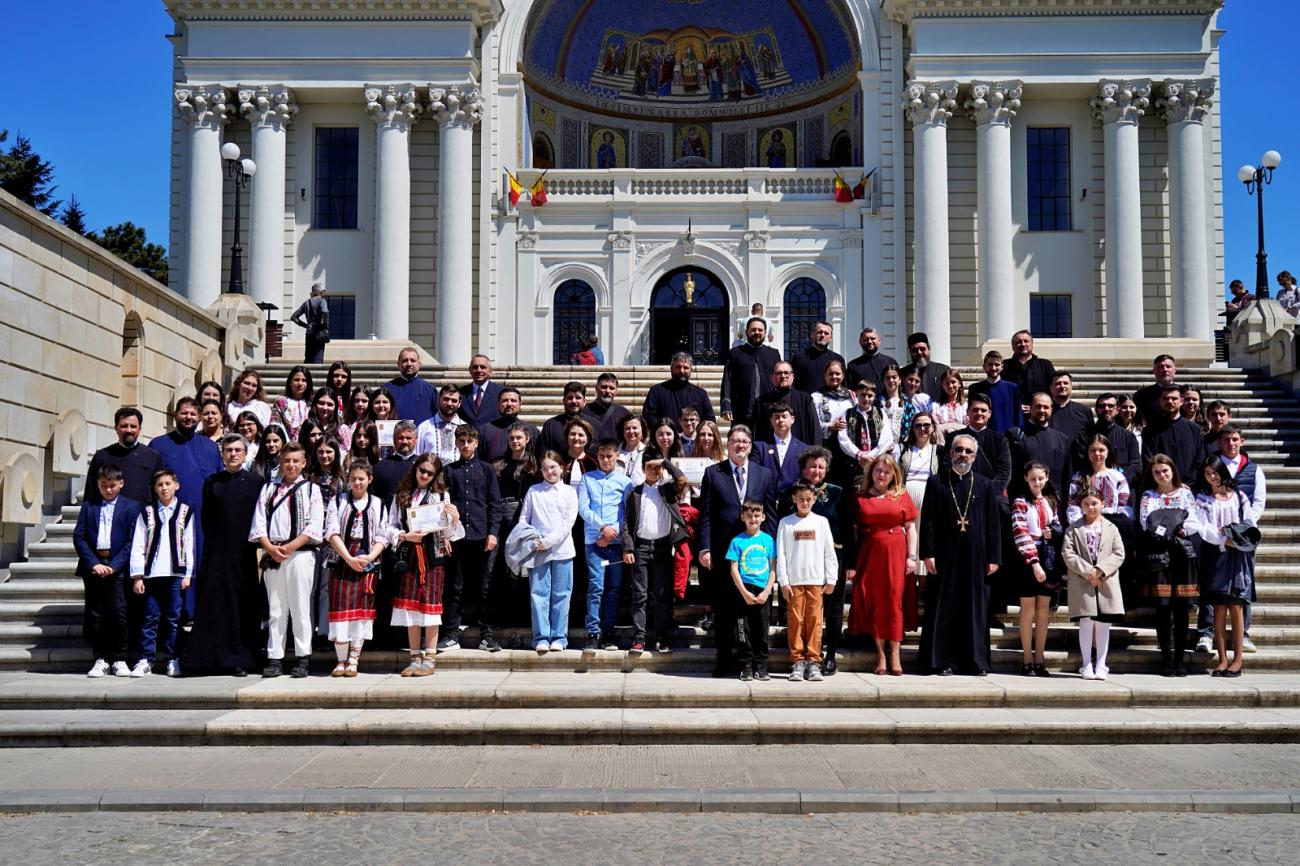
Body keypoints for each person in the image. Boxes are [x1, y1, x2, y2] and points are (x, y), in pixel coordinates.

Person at [918, 434, 1002, 676]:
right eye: (958, 450)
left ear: (974, 457)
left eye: (968, 451)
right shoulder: (936, 482)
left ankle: (974, 662)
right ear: (950, 453)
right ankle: (940, 661)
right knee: (944, 607)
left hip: (977, 557)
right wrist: (928, 552)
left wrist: (994, 557)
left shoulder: (985, 484)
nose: (963, 455)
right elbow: (929, 520)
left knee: (974, 609)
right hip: (944, 556)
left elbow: (993, 524)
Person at [183, 434, 264, 676]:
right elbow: (207, 520)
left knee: (241, 606)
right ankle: (208, 658)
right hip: (217, 553)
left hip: (245, 554)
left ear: (246, 453)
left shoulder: (256, 482)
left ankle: (239, 658)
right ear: (222, 453)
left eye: (238, 450)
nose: (233, 454)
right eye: (228, 450)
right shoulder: (212, 482)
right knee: (214, 604)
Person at [699, 425, 777, 677]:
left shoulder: (764, 474)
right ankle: (725, 660)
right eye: (735, 440)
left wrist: (772, 550)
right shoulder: (713, 473)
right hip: (724, 553)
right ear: (728, 444)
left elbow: (772, 517)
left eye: (745, 441)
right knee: (723, 610)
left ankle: (754, 661)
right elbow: (706, 515)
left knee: (753, 613)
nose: (740, 445)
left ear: (750, 445)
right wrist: (705, 547)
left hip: (755, 557)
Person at [249, 442, 326, 679]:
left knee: (300, 607)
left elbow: (315, 526)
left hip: (301, 554)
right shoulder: (269, 489)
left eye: (295, 461)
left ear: (303, 463)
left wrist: (291, 547)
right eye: (286, 461)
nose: (290, 465)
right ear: (281, 463)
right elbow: (259, 522)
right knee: (276, 608)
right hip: (273, 553)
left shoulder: (312, 490)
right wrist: (270, 548)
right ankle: (275, 657)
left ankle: (303, 657)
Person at [388, 454, 461, 676]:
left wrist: (454, 519)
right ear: (415, 469)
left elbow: (448, 533)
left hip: (432, 557)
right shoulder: (402, 495)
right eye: (422, 470)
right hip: (409, 554)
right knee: (411, 607)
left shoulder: (441, 495)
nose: (425, 476)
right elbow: (389, 525)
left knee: (430, 607)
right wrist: (404, 535)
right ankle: (414, 656)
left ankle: (430, 657)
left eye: (430, 473)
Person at [846, 455, 920, 676]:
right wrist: (852, 562)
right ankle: (880, 653)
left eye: (887, 472)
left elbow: (911, 528)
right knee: (875, 600)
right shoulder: (860, 497)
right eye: (878, 470)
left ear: (893, 475)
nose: (882, 475)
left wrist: (912, 557)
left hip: (897, 553)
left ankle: (895, 652)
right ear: (871, 472)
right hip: (870, 554)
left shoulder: (902, 496)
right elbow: (854, 532)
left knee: (894, 600)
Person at [149, 397, 222, 618]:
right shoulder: (158, 445)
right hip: (169, 518)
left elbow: (217, 482)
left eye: (192, 414)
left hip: (201, 518)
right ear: (175, 415)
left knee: (197, 562)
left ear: (199, 417)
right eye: (184, 413)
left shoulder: (210, 447)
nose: (188, 417)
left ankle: (195, 614)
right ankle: (171, 618)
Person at [1197, 424, 1266, 655]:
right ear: (1220, 442)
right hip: (1216, 542)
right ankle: (1206, 633)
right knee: (1212, 589)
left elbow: (1257, 503)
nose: (1231, 443)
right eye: (1227, 440)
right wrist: (1221, 537)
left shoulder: (1253, 469)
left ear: (1242, 441)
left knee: (1241, 588)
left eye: (1235, 439)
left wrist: (1240, 532)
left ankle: (1242, 634)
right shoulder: (1211, 466)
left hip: (1241, 540)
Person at [75, 466, 144, 678]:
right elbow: (79, 536)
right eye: (104, 485)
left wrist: (115, 565)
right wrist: (93, 563)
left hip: (118, 567)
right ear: (98, 484)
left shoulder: (131, 507)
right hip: (94, 565)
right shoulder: (89, 506)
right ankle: (101, 657)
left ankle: (120, 658)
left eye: (112, 485)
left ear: (121, 484)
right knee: (96, 613)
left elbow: (133, 540)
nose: (108, 489)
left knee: (118, 612)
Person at [440, 426, 505, 652]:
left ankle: (487, 634)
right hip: (456, 537)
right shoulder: (449, 471)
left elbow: (495, 504)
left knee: (484, 586)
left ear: (476, 442)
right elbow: (442, 506)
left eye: (470, 441)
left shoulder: (487, 470)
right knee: (454, 586)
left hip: (482, 535)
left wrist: (493, 533)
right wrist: (444, 535)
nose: (466, 445)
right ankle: (450, 634)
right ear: (456, 444)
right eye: (462, 441)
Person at [620, 446, 688, 654]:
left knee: (660, 594)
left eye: (657, 468)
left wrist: (665, 462)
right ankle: (639, 637)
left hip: (661, 547)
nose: (655, 471)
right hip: (640, 546)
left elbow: (682, 480)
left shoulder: (667, 489)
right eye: (650, 467)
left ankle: (661, 635)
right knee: (639, 595)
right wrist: (628, 548)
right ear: (643, 468)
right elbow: (627, 523)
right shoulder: (635, 492)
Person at [324, 460, 389, 677]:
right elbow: (332, 532)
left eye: (361, 478)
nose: (357, 483)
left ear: (370, 479)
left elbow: (383, 534)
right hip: (343, 559)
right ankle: (340, 660)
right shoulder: (338, 501)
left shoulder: (379, 504)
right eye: (353, 479)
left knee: (361, 614)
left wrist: (370, 556)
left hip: (368, 560)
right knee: (340, 612)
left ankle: (354, 659)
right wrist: (349, 558)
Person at [1139, 454, 1202, 677]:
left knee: (1182, 609)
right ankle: (1166, 659)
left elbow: (1194, 520)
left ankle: (1180, 660)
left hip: (1182, 556)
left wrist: (1176, 526)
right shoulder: (1149, 496)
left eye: (1165, 471)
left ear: (1173, 470)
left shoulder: (1185, 494)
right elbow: (1146, 521)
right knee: (1163, 609)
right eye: (1157, 472)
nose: (1162, 475)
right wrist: (1171, 526)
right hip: (1160, 556)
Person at [128, 468, 194, 678]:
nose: (164, 488)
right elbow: (138, 544)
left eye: (168, 484)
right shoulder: (146, 513)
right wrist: (138, 575)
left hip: (175, 573)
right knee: (150, 618)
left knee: (173, 618)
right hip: (152, 574)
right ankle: (146, 659)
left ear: (176, 485)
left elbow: (190, 543)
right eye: (160, 485)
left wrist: (188, 573)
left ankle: (172, 659)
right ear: (155, 489)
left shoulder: (185, 511)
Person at [1195, 458, 1256, 677]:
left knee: (1236, 608)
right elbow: (1202, 527)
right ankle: (1222, 659)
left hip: (1237, 554)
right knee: (1218, 608)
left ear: (1222, 472)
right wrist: (1222, 539)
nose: (1211, 476)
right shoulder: (1203, 499)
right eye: (1207, 473)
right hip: (1215, 554)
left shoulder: (1239, 497)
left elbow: (1248, 522)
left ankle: (1237, 660)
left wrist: (1235, 539)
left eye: (1214, 472)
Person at [775, 479, 839, 682]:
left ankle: (813, 661)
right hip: (794, 581)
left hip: (816, 580)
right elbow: (781, 554)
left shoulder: (821, 522)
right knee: (796, 621)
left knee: (815, 620)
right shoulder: (785, 522)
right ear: (794, 499)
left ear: (814, 499)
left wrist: (832, 578)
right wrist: (783, 581)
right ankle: (797, 661)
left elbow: (829, 552)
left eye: (808, 499)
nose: (804, 502)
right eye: (801, 499)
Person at [518, 451, 580, 653]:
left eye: (553, 467)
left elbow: (567, 523)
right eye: (545, 468)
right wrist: (533, 540)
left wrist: (548, 541)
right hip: (537, 550)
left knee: (562, 594)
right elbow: (523, 520)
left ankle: (559, 637)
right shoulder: (534, 491)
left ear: (562, 468)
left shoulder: (570, 492)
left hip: (562, 550)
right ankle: (541, 636)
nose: (549, 471)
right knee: (538, 593)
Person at [1063, 489, 1126, 681]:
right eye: (1086, 504)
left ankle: (1101, 663)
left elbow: (1118, 553)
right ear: (1081, 506)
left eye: (1094, 503)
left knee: (1103, 624)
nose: (1090, 507)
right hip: (1083, 582)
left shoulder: (1111, 528)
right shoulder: (1073, 528)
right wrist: (1088, 572)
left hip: (1105, 581)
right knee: (1086, 622)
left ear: (1102, 504)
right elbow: (1068, 553)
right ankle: (1086, 663)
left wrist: (1099, 570)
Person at [580, 439, 634, 652]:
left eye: (609, 456)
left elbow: (628, 513)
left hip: (616, 542)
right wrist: (602, 528)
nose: (605, 460)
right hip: (594, 540)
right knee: (596, 587)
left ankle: (608, 631)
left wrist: (613, 533)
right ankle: (593, 632)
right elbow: (583, 508)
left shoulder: (625, 482)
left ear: (616, 456)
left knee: (613, 589)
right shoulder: (587, 479)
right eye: (601, 456)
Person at [1010, 462, 1064, 677]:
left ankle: (1040, 658)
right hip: (1028, 557)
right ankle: (1027, 659)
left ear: (1047, 477)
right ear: (1025, 478)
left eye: (1041, 478)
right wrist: (1033, 561)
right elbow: (1020, 531)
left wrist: (1054, 532)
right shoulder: (1021, 501)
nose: (1037, 482)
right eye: (1033, 479)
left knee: (1044, 609)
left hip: (1048, 556)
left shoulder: (1051, 500)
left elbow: (1057, 525)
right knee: (1028, 608)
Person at [726, 500, 777, 682]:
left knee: (761, 630)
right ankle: (746, 665)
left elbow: (773, 569)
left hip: (763, 590)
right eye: (749, 515)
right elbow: (733, 569)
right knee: (743, 630)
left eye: (757, 515)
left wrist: (767, 591)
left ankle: (761, 665)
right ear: (742, 517)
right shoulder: (737, 541)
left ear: (763, 517)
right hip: (743, 591)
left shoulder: (768, 540)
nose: (753, 519)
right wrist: (744, 593)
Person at [84, 407, 165, 505]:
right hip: (110, 516)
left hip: (142, 516)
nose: (128, 430)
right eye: (124, 426)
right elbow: (90, 491)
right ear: (116, 428)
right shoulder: (102, 456)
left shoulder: (153, 457)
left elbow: (159, 492)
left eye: (133, 426)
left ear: (139, 429)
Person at [946, 395, 1012, 500]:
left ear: (989, 414)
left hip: (992, 497)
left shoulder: (1000, 440)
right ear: (967, 412)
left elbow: (1004, 472)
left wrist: (988, 492)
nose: (979, 413)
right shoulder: (954, 437)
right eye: (975, 410)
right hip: (960, 494)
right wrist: (963, 489)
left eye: (983, 410)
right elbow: (947, 465)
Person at [721, 317, 782, 428]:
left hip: (768, 411)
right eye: (753, 330)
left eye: (760, 330)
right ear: (747, 332)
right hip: (741, 409)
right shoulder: (735, 353)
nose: (757, 332)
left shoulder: (773, 354)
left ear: (765, 332)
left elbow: (780, 381)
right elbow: (727, 380)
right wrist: (726, 404)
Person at [1073, 393, 1142, 489]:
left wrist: (1118, 482)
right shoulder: (1084, 435)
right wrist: (1099, 482)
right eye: (1102, 406)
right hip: (1092, 490)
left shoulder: (1128, 436)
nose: (1106, 409)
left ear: (1117, 410)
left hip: (1122, 490)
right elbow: (1080, 462)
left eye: (1110, 406)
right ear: (1096, 410)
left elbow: (1135, 465)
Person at [1141, 384, 1206, 483]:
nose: (1170, 401)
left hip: (1190, 487)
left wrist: (1189, 481)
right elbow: (1149, 460)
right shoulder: (1150, 430)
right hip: (1161, 486)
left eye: (1174, 398)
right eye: (1166, 398)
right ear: (1160, 401)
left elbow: (1200, 460)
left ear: (1181, 401)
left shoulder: (1194, 429)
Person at [837, 379, 895, 486]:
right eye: (862, 395)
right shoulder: (847, 413)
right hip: (854, 463)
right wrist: (859, 455)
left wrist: (871, 456)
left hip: (876, 461)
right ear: (856, 394)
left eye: (870, 395)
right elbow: (843, 438)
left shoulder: (880, 413)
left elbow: (887, 437)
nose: (866, 398)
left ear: (874, 396)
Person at [752, 360, 820, 446]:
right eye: (778, 373)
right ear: (772, 378)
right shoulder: (761, 402)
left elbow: (814, 431)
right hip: (770, 453)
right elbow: (755, 432)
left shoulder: (805, 400)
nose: (783, 376)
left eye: (786, 373)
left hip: (800, 453)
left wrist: (816, 455)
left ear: (793, 376)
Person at [642, 352, 716, 427]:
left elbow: (709, 419)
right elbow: (648, 415)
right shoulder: (656, 391)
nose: (682, 371)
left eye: (686, 368)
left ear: (691, 370)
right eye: (678, 367)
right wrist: (664, 430)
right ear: (671, 368)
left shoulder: (700, 394)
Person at [752, 402, 809, 492]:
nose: (781, 420)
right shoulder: (760, 447)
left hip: (793, 502)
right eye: (777, 417)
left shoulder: (804, 449)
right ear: (771, 420)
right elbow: (754, 474)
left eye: (784, 416)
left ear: (792, 419)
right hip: (767, 502)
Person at [477, 387, 538, 463]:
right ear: (498, 404)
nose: (509, 404)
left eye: (513, 401)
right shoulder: (484, 430)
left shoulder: (532, 430)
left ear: (520, 404)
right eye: (505, 401)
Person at [967, 351, 1023, 434]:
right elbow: (971, 413)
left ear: (1002, 367)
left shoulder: (1012, 388)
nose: (993, 368)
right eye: (990, 364)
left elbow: (1018, 413)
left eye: (997, 365)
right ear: (984, 367)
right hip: (983, 435)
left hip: (1007, 437)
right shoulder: (975, 388)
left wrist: (1018, 432)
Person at [537, 381, 598, 456]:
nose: (574, 401)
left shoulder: (595, 425)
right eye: (570, 398)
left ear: (584, 402)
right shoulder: (550, 425)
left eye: (578, 398)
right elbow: (543, 455)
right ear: (564, 401)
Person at [1002, 330, 1056, 415]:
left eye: (1026, 341)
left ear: (1032, 344)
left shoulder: (1045, 365)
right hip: (1011, 415)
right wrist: (1015, 406)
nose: (1023, 344)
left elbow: (1053, 389)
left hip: (1040, 415)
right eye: (1019, 342)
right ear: (1013, 346)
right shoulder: (1003, 366)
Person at [416, 385, 466, 464]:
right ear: (439, 399)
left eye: (454, 401)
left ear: (459, 404)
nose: (449, 403)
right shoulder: (424, 427)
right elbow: (417, 457)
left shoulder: (465, 427)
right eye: (446, 399)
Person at [791, 321, 846, 393]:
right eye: (820, 332)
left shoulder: (838, 359)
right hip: (806, 402)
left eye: (826, 333)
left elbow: (843, 386)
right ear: (812, 334)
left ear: (831, 338)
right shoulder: (799, 357)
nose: (823, 335)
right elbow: (792, 384)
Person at [372, 420, 419, 505]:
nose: (405, 442)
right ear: (394, 440)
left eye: (409, 438)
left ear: (415, 440)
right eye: (400, 438)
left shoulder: (422, 466)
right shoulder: (380, 467)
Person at [387, 347, 435, 426]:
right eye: (405, 360)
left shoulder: (430, 390)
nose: (409, 364)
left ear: (419, 364)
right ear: (398, 364)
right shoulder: (387, 389)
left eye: (413, 360)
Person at [875, 364, 916, 451]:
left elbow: (912, 425)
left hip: (901, 448)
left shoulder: (907, 402)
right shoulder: (877, 401)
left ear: (900, 380)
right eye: (887, 378)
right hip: (881, 447)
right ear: (883, 380)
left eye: (894, 377)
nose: (891, 380)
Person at [900, 331, 950, 403]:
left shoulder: (943, 370)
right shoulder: (903, 373)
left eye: (922, 349)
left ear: (929, 348)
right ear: (910, 352)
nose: (919, 352)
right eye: (915, 350)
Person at [1132, 354, 1178, 429]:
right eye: (1160, 367)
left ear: (1174, 370)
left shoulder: (1184, 393)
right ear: (1154, 371)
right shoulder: (1141, 395)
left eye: (1168, 366)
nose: (1165, 369)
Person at [1046, 372, 1092, 446]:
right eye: (1058, 383)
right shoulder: (1043, 412)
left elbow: (1091, 438)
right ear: (1050, 388)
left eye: (1065, 383)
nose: (1062, 386)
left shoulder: (1084, 411)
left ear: (1071, 386)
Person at [457, 355, 503, 427]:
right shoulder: (460, 393)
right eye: (475, 367)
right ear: (470, 370)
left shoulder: (501, 392)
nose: (479, 370)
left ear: (490, 371)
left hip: (492, 437)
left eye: (483, 367)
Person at [290, 283, 330, 363]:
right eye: (324, 291)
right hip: (319, 333)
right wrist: (325, 325)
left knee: (308, 358)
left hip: (309, 333)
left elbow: (293, 317)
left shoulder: (306, 303)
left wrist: (306, 325)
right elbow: (325, 312)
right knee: (318, 358)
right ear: (321, 292)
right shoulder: (322, 301)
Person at [588, 372, 631, 445]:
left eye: (612, 388)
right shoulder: (584, 411)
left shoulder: (624, 413)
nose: (608, 391)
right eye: (604, 387)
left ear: (616, 391)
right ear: (596, 388)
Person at [272, 366, 314, 439]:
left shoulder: (312, 403)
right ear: (290, 383)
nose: (300, 383)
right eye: (296, 380)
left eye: (304, 380)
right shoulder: (281, 402)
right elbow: (275, 424)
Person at [931, 369, 968, 440]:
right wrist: (957, 427)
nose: (950, 386)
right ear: (942, 385)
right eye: (947, 383)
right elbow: (935, 428)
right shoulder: (935, 406)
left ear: (959, 383)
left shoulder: (966, 406)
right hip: (942, 444)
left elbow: (968, 427)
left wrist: (946, 426)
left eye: (953, 382)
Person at [335, 386, 371, 457]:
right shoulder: (345, 420)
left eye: (364, 401)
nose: (360, 404)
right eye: (357, 400)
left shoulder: (373, 421)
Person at [615, 414, 647, 483]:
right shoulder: (614, 453)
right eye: (627, 428)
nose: (631, 431)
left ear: (642, 430)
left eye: (635, 428)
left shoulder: (649, 453)